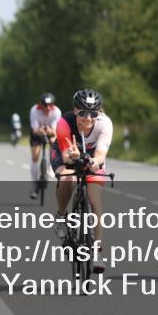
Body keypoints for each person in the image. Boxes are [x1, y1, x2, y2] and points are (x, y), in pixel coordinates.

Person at [51, 88, 113, 274]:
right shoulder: (64, 123)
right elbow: (67, 157)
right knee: (68, 177)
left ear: (99, 113)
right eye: (83, 113)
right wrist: (74, 157)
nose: (88, 119)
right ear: (75, 110)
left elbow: (101, 154)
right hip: (66, 154)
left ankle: (97, 252)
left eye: (93, 114)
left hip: (91, 157)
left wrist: (93, 161)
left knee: (95, 202)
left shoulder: (105, 124)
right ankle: (62, 216)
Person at [29, 92, 61, 199]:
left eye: (50, 105)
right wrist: (41, 131)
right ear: (40, 104)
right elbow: (34, 130)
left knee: (54, 142)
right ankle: (34, 185)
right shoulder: (34, 110)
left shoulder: (56, 112)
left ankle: (49, 169)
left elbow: (55, 130)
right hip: (37, 132)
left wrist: (50, 133)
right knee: (35, 156)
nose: (47, 108)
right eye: (45, 105)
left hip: (50, 132)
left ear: (52, 105)